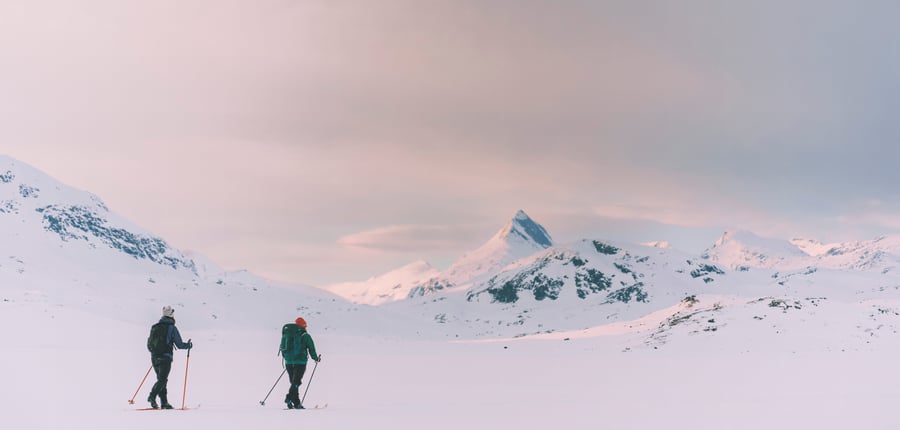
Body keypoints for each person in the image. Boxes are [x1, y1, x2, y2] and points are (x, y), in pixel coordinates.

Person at [148, 305, 193, 409]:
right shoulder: (172, 328)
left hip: (154, 357)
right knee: (163, 380)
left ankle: (164, 402)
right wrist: (188, 345)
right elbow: (179, 344)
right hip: (165, 357)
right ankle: (152, 396)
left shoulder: (155, 326)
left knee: (161, 379)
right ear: (171, 314)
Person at [280, 317, 321, 409]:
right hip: (300, 361)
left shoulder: (287, 334)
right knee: (296, 382)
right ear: (303, 326)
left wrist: (288, 357)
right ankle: (289, 397)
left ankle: (296, 403)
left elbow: (283, 346)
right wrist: (315, 358)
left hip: (288, 361)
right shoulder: (305, 335)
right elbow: (311, 348)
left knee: (294, 382)